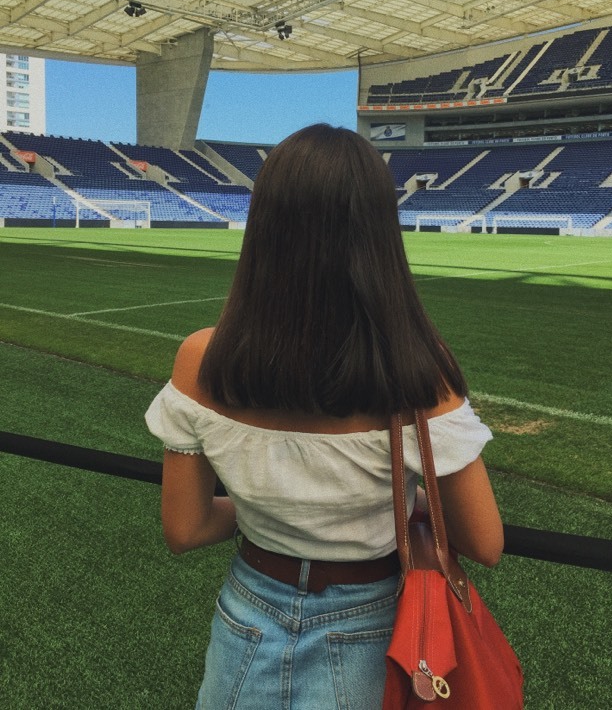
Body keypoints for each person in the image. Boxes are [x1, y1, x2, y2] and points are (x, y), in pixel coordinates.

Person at [145, 124, 503, 710]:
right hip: (375, 624)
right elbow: (483, 542)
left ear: (264, 227)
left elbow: (184, 529)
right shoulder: (417, 369)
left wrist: (274, 507)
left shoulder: (200, 359)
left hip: (245, 614)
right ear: (379, 233)